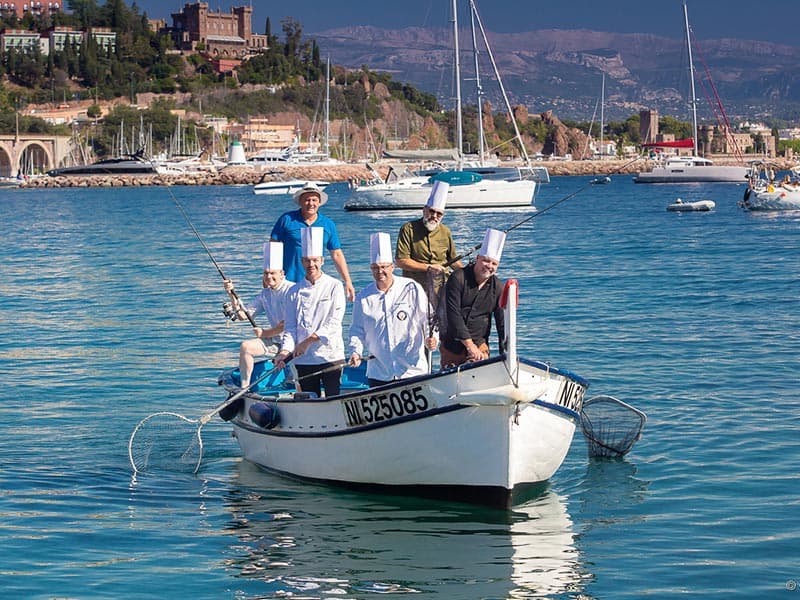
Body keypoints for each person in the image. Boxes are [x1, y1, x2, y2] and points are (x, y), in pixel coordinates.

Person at [348, 232, 438, 387]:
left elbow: (428, 319)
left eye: (383, 267)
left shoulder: (411, 287)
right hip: (380, 372)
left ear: (392, 267)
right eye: (375, 268)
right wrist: (355, 351)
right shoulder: (363, 297)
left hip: (412, 369)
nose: (380, 272)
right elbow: (357, 330)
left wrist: (433, 338)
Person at [274, 227, 346, 397]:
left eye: (314, 260)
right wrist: (285, 351)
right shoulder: (294, 291)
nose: (311, 264)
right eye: (307, 260)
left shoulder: (334, 286)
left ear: (322, 260)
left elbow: (334, 323)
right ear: (301, 261)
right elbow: (290, 328)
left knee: (333, 400)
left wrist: (307, 342)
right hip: (304, 359)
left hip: (330, 355)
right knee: (309, 401)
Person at [224, 241, 293, 389]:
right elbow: (243, 315)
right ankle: (244, 388)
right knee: (246, 347)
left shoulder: (291, 291)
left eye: (273, 273)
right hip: (276, 341)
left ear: (282, 274)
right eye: (266, 273)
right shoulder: (265, 294)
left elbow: (286, 324)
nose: (269, 277)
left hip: (294, 342)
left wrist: (264, 332)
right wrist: (231, 294)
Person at [270, 183, 355, 301]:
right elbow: (273, 248)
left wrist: (348, 281)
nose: (311, 203)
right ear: (300, 201)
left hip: (314, 284)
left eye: (314, 200)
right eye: (307, 200)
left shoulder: (328, 224)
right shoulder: (287, 219)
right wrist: (269, 276)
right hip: (287, 282)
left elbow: (336, 254)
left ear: (319, 202)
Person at [439, 228, 507, 368]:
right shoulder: (458, 278)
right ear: (477, 259)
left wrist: (506, 355)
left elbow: (502, 324)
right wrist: (469, 345)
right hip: (453, 345)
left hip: (480, 344)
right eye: (486, 261)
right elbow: (454, 314)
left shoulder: (498, 287)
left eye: (494, 264)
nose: (489, 266)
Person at [394, 180, 462, 295]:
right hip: (415, 289)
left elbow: (453, 260)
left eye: (439, 214)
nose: (434, 216)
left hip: (441, 288)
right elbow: (401, 261)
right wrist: (428, 267)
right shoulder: (408, 229)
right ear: (424, 210)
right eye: (431, 211)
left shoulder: (446, 231)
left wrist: (467, 272)